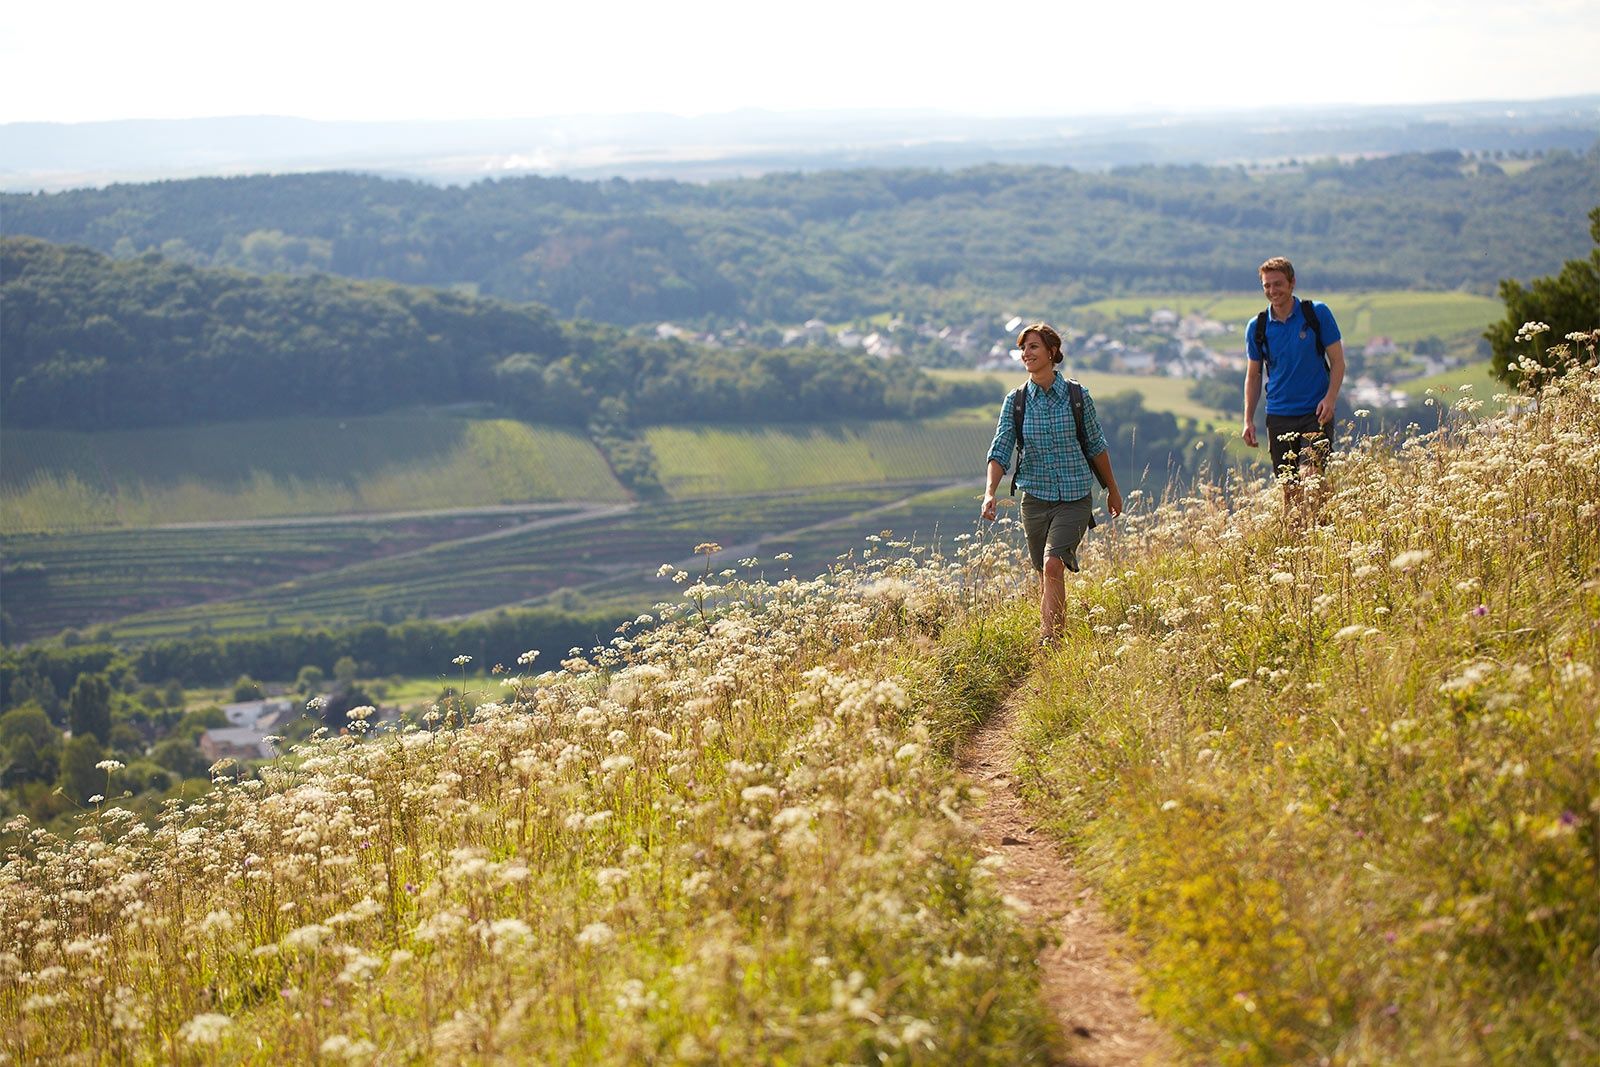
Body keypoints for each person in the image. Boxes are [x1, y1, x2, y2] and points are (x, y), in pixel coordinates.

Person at [981, 323, 1123, 645]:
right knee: (1045, 572)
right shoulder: (1015, 402)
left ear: (1052, 352)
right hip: (1034, 499)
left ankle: (1051, 640)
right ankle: (1054, 630)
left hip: (1074, 497)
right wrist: (990, 492)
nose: (1026, 354)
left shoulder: (1077, 396)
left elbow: (1096, 446)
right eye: (1023, 348)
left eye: (1033, 347)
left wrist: (1112, 489)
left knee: (1053, 564)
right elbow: (1001, 447)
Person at [1240, 257, 1346, 505]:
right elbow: (1253, 376)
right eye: (1267, 286)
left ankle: (1322, 534)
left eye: (1278, 284)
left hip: (1315, 412)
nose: (1272, 291)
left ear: (1292, 283)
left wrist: (1330, 400)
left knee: (1311, 477)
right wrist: (1247, 420)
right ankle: (1301, 537)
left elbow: (1338, 362)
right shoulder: (1257, 327)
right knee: (1291, 492)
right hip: (1278, 416)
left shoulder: (1316, 314)